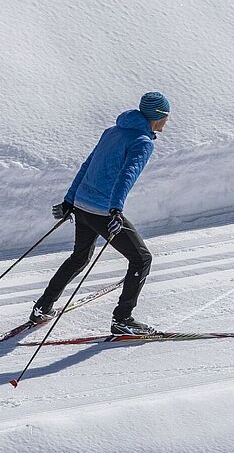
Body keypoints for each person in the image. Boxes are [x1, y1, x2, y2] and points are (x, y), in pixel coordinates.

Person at [35, 92, 170, 335]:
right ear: (158, 116)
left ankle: (42, 308)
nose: (168, 121)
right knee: (141, 259)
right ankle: (123, 320)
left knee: (79, 257)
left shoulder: (112, 132)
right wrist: (115, 210)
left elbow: (87, 165)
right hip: (102, 211)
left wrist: (70, 200)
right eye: (167, 115)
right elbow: (126, 176)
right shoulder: (142, 142)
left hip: (82, 205)